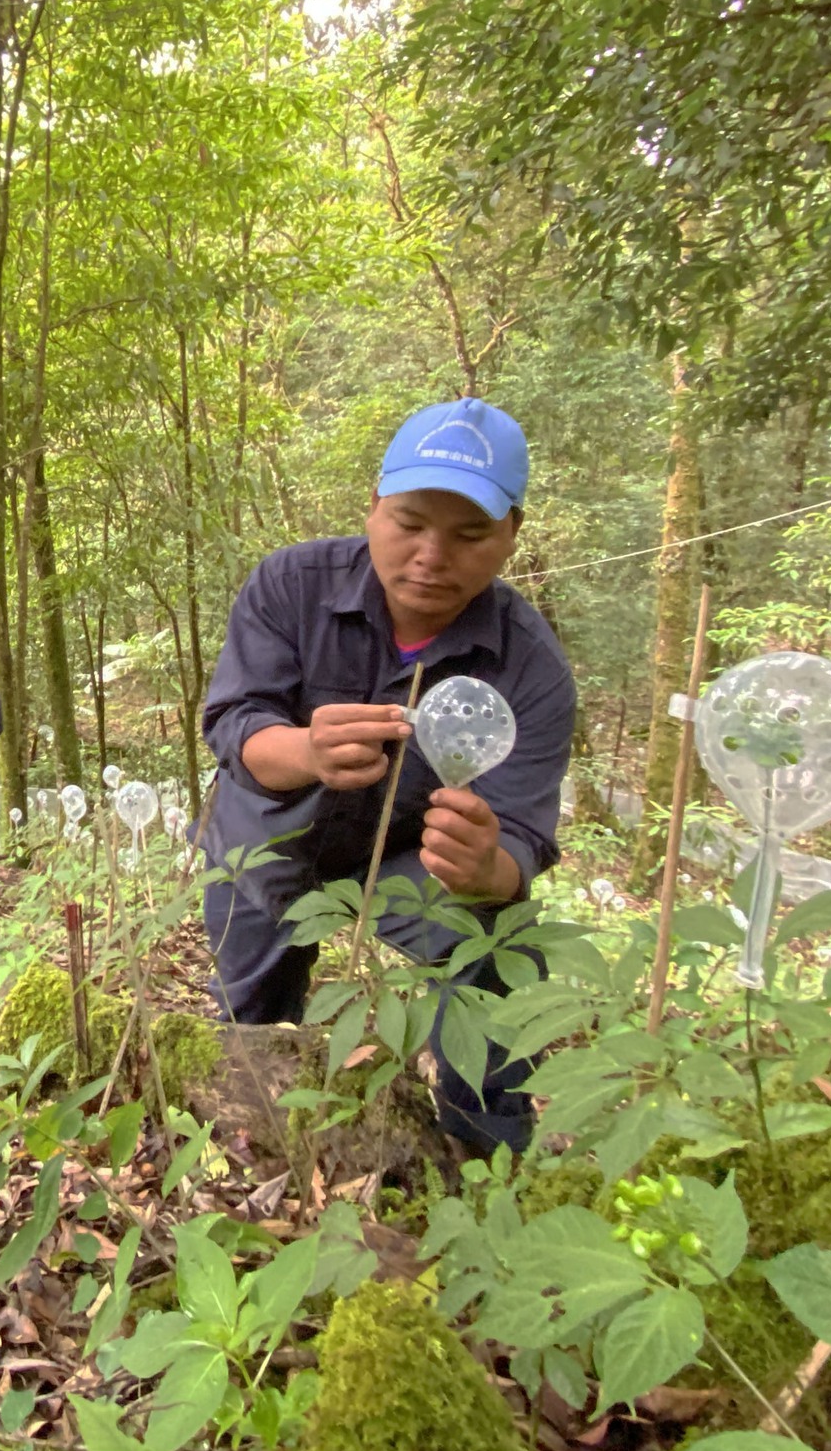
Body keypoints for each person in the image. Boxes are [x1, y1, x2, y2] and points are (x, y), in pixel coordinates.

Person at [197, 397, 576, 1154]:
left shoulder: (531, 666)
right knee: (251, 1011)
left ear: (510, 536)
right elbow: (233, 724)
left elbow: (522, 844)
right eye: (408, 524)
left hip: (412, 856)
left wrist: (485, 867)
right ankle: (248, 1144)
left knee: (498, 951)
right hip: (269, 832)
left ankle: (484, 1155)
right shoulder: (290, 585)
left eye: (469, 534)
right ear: (373, 507)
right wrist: (305, 751)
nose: (432, 556)